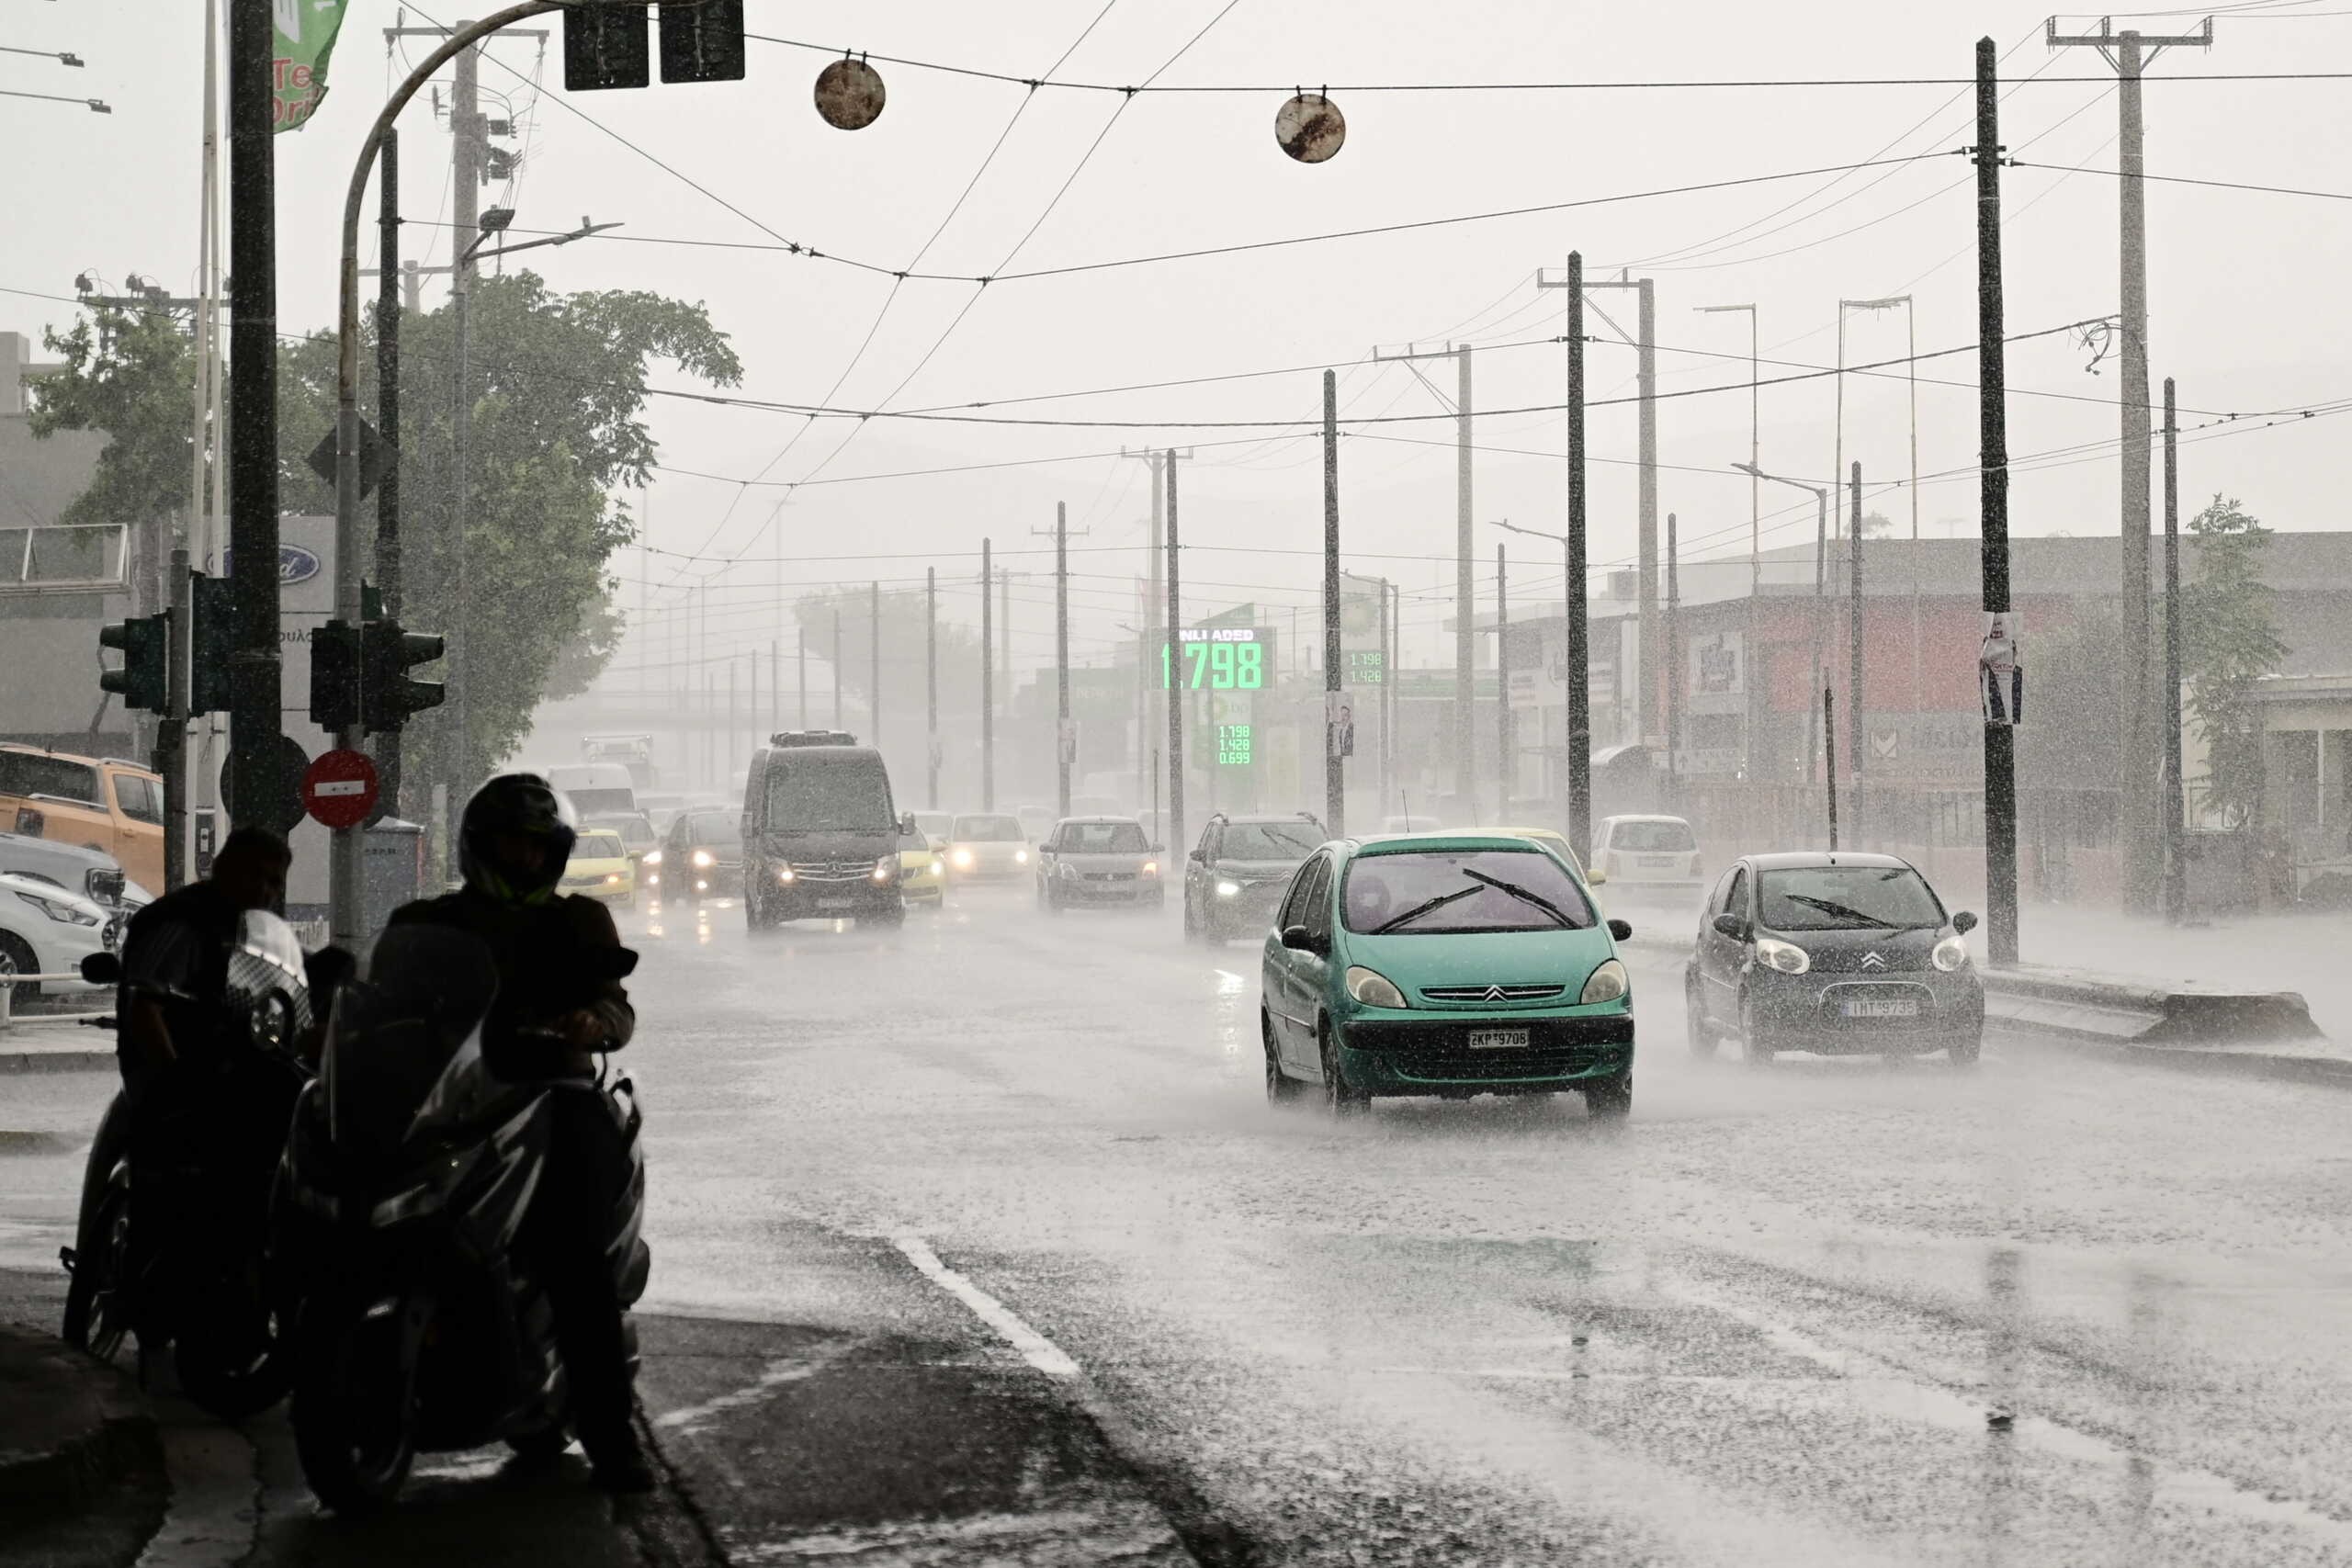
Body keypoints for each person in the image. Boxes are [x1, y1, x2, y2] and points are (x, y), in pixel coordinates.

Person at [387, 773, 651, 1494]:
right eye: (511, 844)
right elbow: (383, 998)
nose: (525, 860)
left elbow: (616, 1007)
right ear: (479, 846)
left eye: (539, 848)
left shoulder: (580, 922)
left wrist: (594, 1024)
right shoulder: (429, 920)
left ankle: (612, 1437)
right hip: (449, 1101)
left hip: (549, 1097)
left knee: (575, 1258)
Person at [109, 827, 298, 1355]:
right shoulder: (179, 922)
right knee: (172, 1167)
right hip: (176, 1069)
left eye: (274, 881)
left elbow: (286, 997)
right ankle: (143, 1291)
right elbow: (146, 1006)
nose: (265, 890)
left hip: (239, 1070)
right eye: (255, 876)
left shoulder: (261, 931)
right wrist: (173, 1078)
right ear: (224, 869)